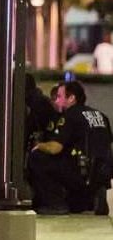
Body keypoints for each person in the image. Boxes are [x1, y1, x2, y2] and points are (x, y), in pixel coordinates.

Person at [28, 81, 113, 215]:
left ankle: (55, 204)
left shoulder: (70, 115)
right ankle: (94, 196)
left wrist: (39, 145)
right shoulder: (101, 116)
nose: (56, 101)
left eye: (60, 97)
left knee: (38, 157)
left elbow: (55, 148)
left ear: (71, 98)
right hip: (102, 173)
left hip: (80, 172)